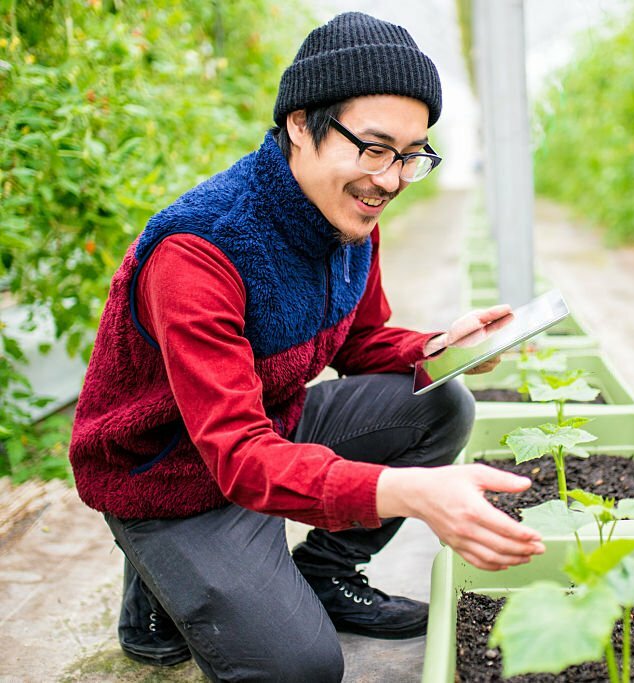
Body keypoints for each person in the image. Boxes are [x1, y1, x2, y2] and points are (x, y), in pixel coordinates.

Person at [68, 12, 545, 682]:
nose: (392, 178)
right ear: (300, 124)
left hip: (268, 426)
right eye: (375, 147)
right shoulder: (200, 250)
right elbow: (234, 455)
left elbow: (363, 339)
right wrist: (405, 491)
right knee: (301, 667)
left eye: (412, 154)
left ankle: (324, 574)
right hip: (171, 472)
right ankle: (156, 575)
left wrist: (441, 346)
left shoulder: (348, 214)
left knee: (441, 404)